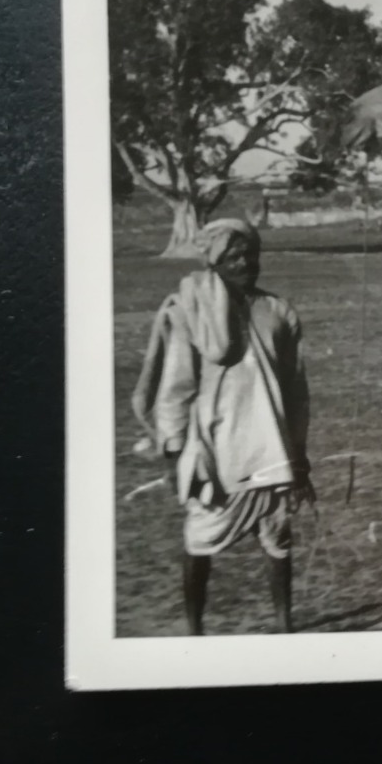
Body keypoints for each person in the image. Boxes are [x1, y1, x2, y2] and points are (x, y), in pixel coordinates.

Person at [131, 217, 312, 635]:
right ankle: (195, 630)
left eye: (251, 254)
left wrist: (299, 454)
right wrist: (174, 450)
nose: (245, 262)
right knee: (199, 540)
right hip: (215, 454)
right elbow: (175, 390)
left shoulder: (279, 312)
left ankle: (285, 625)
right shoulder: (191, 312)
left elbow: (297, 392)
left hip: (271, 452)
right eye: (233, 256)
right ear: (215, 262)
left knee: (278, 539)